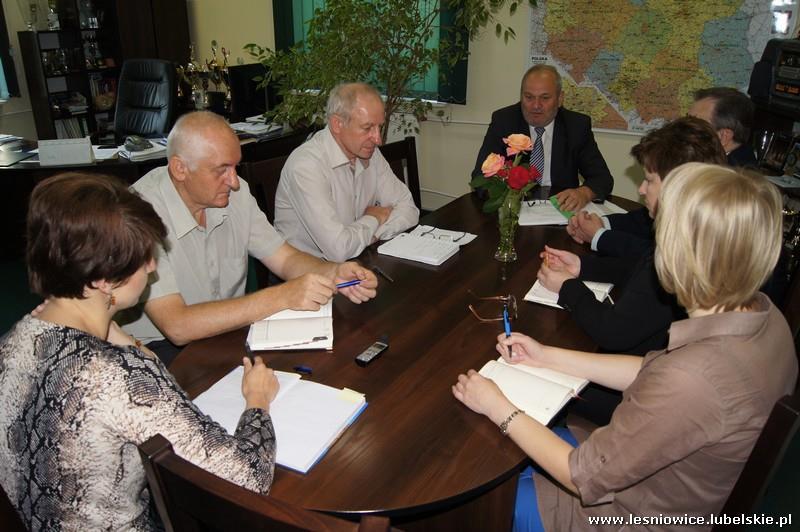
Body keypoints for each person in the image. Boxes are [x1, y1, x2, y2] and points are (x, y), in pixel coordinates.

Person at [453, 163, 797, 531]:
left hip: (632, 515)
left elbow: (579, 475)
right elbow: (651, 369)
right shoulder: (764, 312)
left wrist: (497, 405)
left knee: (477, 495)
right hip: (671, 480)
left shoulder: (695, 377)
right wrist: (546, 356)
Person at [0, 173, 280, 531]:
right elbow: (249, 477)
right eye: (142, 256)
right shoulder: (118, 377)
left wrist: (112, 328)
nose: (152, 266)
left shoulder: (14, 341)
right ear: (102, 279)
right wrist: (257, 402)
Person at [120, 111, 378, 364]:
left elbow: (285, 258)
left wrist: (334, 272)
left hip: (230, 330)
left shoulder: (236, 194)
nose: (234, 181)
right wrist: (282, 296)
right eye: (221, 170)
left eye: (235, 167)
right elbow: (177, 326)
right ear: (180, 169)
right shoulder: (140, 212)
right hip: (159, 350)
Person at [275, 82, 419, 262]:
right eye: (367, 128)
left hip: (355, 260)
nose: (378, 139)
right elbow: (338, 250)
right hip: (304, 275)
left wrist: (372, 235)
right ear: (337, 124)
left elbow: (409, 209)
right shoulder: (306, 166)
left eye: (379, 127)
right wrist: (374, 218)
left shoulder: (369, 151)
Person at [566, 116, 726, 258]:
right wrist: (597, 225)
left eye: (649, 181)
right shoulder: (686, 214)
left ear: (678, 184)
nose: (641, 189)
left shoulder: (706, 241)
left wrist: (599, 236)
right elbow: (641, 222)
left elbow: (650, 261)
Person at [472, 65, 614, 211]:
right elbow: (480, 176)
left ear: (560, 99)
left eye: (545, 98)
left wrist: (583, 193)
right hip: (514, 207)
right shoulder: (504, 121)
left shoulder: (576, 126)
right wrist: (504, 199)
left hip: (560, 209)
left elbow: (602, 178)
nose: (536, 105)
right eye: (529, 97)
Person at [688, 87, 758, 167]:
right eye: (687, 119)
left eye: (694, 124)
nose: (681, 128)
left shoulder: (726, 176)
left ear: (724, 137)